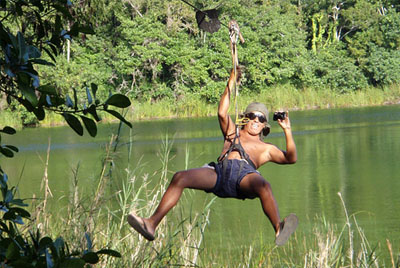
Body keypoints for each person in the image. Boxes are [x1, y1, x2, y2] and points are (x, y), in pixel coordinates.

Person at [127, 66, 298, 246]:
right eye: (252, 116)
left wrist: (287, 130)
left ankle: (278, 227)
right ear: (245, 118)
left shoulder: (266, 148)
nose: (256, 120)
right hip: (219, 173)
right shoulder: (233, 132)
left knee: (264, 185)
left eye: (261, 119)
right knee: (180, 177)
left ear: (265, 126)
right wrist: (231, 81)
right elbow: (222, 112)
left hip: (244, 178)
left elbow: (291, 158)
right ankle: (151, 224)